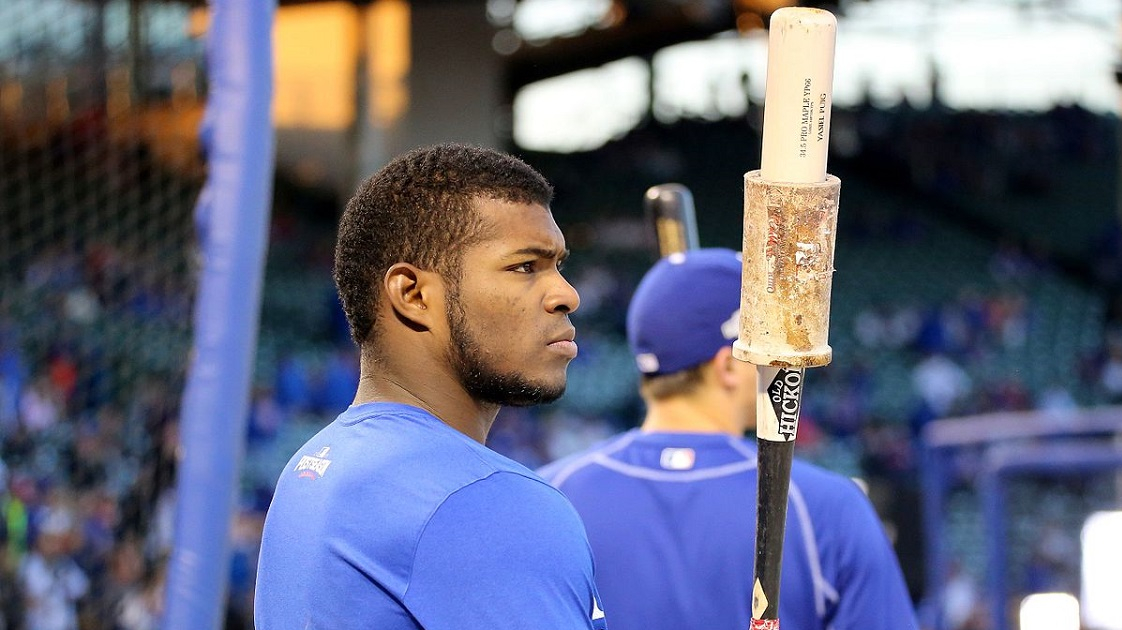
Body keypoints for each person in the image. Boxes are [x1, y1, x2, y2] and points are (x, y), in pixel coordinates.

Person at [255, 144, 606, 629]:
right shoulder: (484, 502)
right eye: (525, 266)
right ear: (413, 294)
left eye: (559, 266)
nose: (567, 294)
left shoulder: (315, 462)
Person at [539, 248, 917, 630]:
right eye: (769, 348)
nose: (779, 363)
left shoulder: (549, 494)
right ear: (729, 366)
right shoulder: (819, 504)